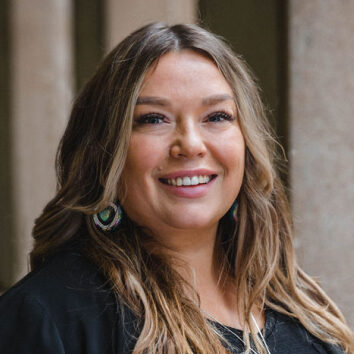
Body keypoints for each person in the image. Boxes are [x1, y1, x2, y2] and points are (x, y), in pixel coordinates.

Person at [0, 23, 353, 354]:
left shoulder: (304, 314)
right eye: (154, 119)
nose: (191, 144)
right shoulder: (50, 316)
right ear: (105, 152)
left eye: (217, 117)